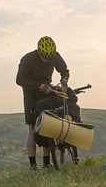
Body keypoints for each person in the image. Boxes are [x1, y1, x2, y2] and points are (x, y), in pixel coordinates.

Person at [16, 36, 69, 170]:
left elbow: (64, 70)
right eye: (44, 57)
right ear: (39, 51)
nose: (47, 59)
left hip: (47, 91)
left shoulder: (54, 56)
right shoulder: (28, 59)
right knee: (33, 128)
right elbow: (19, 79)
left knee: (47, 125)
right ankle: (33, 164)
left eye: (49, 57)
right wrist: (38, 86)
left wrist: (64, 79)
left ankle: (47, 163)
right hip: (31, 94)